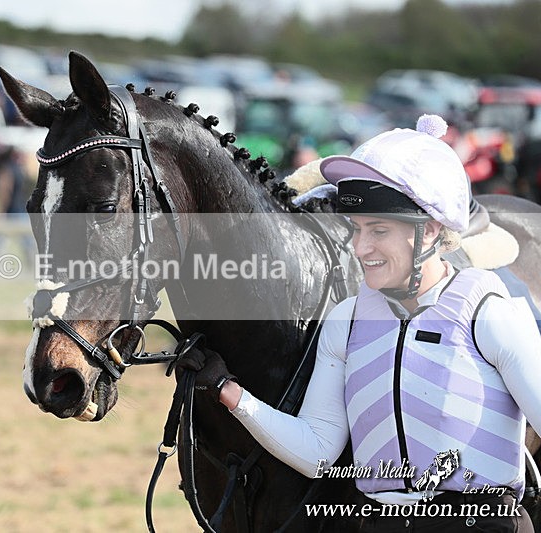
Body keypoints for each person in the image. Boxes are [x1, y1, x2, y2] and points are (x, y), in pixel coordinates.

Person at [179, 115, 541, 532]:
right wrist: (231, 394)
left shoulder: (490, 312)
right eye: (357, 229)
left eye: (379, 230)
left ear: (430, 231)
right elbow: (318, 451)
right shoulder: (345, 321)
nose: (361, 247)